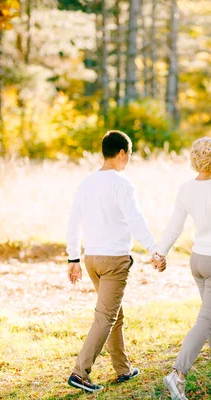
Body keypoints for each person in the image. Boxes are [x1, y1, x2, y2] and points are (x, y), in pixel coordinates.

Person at [65, 130, 166, 393]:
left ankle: (123, 369)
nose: (128, 160)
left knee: (114, 314)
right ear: (122, 153)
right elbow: (136, 220)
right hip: (114, 261)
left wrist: (73, 257)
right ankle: (80, 373)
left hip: (92, 260)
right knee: (106, 317)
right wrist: (154, 250)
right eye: (129, 155)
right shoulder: (122, 184)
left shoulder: (86, 183)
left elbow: (74, 221)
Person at [157, 137, 211, 400]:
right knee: (207, 321)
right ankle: (178, 374)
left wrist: (161, 251)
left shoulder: (186, 189)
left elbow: (175, 226)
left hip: (197, 260)